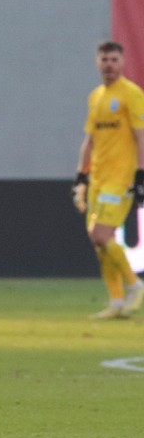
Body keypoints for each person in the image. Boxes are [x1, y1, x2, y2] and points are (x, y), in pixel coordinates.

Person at [72, 40, 144, 320]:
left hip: (121, 178)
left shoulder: (132, 94)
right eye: (104, 60)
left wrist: (140, 173)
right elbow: (89, 139)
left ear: (122, 62)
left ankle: (135, 284)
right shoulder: (96, 96)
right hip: (98, 179)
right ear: (97, 62)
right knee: (101, 241)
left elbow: (141, 136)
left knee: (99, 234)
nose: (109, 65)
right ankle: (116, 301)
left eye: (114, 59)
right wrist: (81, 174)